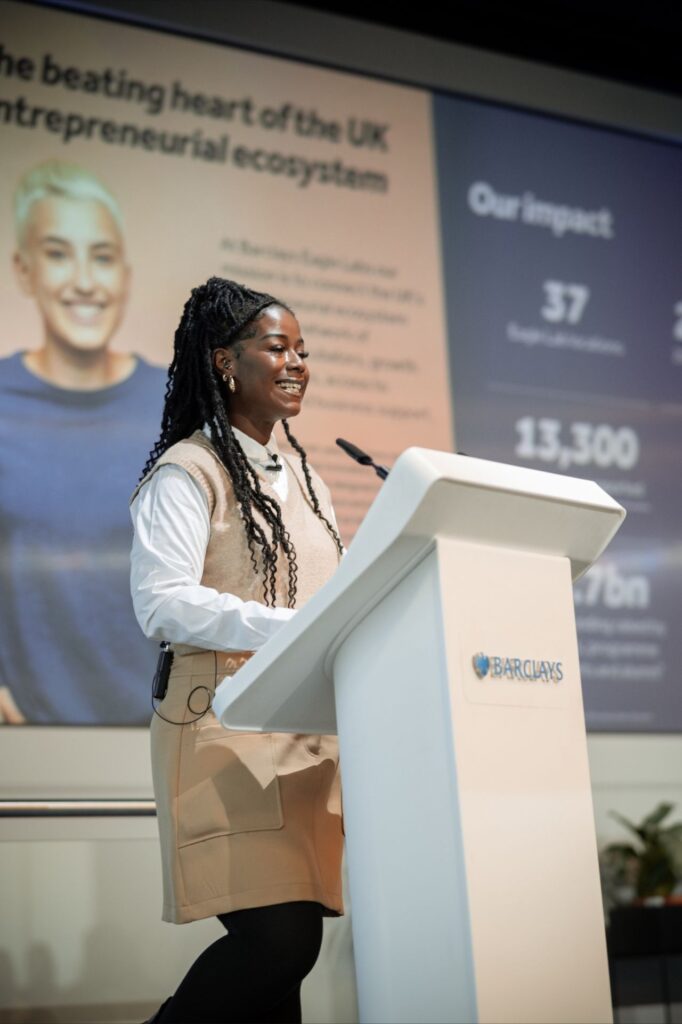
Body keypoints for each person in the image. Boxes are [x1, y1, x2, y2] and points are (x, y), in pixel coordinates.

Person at [129, 277, 345, 1024]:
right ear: (224, 361)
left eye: (303, 350)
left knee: (280, 982)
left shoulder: (310, 481)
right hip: (223, 726)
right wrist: (291, 629)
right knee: (279, 943)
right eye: (278, 347)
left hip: (303, 739)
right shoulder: (187, 471)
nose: (297, 363)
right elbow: (161, 602)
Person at [0, 159, 165, 724]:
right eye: (57, 254)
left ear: (125, 275)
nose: (85, 281)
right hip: (28, 745)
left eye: (102, 257)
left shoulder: (180, 404)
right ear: (24, 271)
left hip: (168, 738)